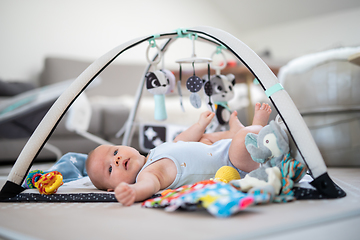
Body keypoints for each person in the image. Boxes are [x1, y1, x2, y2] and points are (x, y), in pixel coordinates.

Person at [86, 102, 272, 206]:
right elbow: (148, 187)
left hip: (218, 148)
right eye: (110, 168)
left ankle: (234, 133)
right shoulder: (147, 174)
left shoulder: (154, 153)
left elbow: (181, 140)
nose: (116, 159)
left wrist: (199, 125)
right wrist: (133, 191)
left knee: (203, 138)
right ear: (112, 188)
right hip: (233, 164)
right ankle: (256, 127)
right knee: (241, 140)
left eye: (115, 151)